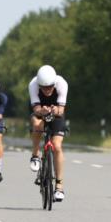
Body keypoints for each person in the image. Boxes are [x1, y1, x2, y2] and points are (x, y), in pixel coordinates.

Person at [27, 64, 69, 201]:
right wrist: (42, 111)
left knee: (57, 146)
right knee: (37, 124)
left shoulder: (62, 83)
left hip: (56, 112)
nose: (47, 90)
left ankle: (59, 185)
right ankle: (35, 155)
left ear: (54, 83)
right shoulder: (33, 84)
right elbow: (36, 108)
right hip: (40, 111)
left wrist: (54, 110)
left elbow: (61, 110)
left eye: (50, 87)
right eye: (43, 87)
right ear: (39, 84)